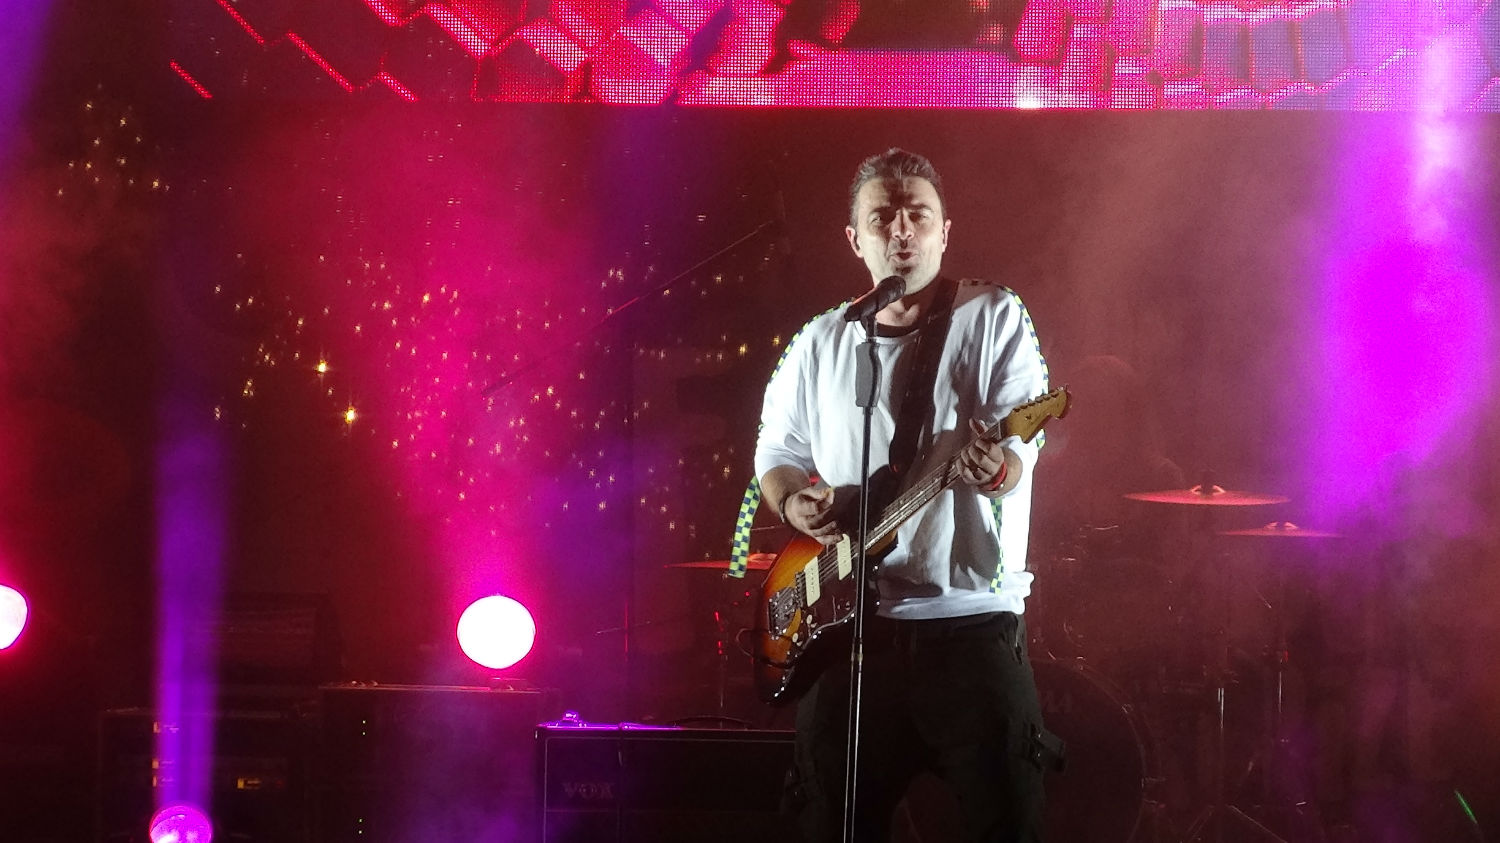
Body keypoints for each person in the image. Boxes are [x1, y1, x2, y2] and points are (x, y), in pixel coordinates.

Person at [754, 148, 1055, 842]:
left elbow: (1021, 445)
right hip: (849, 633)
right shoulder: (821, 339)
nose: (901, 230)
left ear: (944, 232)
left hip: (971, 627)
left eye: (918, 215)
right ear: (854, 239)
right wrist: (792, 502)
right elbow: (776, 450)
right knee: (828, 822)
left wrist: (996, 469)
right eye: (882, 217)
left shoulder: (993, 314)